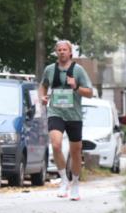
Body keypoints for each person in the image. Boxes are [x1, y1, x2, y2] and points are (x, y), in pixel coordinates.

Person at [39, 40, 94, 200]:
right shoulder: (50, 69)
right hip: (55, 111)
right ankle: (64, 180)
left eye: (65, 49)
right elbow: (43, 85)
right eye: (59, 50)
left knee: (76, 151)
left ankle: (75, 184)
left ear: (70, 53)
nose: (62, 52)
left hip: (74, 115)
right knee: (56, 145)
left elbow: (90, 92)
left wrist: (76, 87)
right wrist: (42, 97)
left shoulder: (78, 70)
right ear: (56, 52)